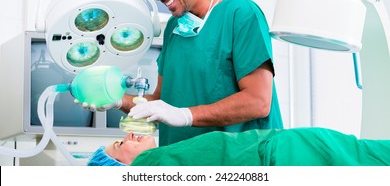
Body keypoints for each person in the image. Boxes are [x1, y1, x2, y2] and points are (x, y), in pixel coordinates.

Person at [82, 0, 283, 146]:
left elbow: (258, 102)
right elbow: (161, 103)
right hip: (181, 160)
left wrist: (186, 116)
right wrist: (117, 100)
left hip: (239, 160)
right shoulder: (174, 27)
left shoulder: (241, 14)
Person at [87, 128, 390, 166]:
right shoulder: (151, 167)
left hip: (284, 151)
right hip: (286, 156)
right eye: (118, 145)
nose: (127, 136)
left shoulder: (161, 158)